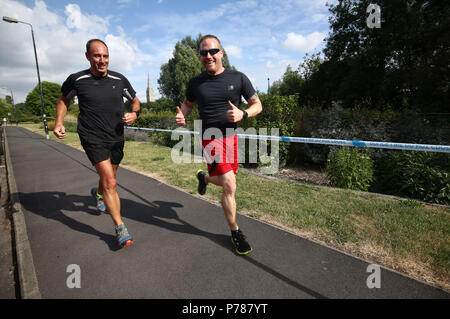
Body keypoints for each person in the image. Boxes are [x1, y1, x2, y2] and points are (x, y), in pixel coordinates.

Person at [175, 35, 262, 255]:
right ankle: (235, 233)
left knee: (226, 182)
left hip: (232, 138)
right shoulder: (196, 82)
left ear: (221, 52)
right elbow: (187, 104)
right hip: (210, 137)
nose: (208, 56)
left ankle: (203, 178)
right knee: (230, 185)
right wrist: (182, 116)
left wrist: (243, 114)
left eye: (212, 51)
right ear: (200, 56)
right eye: (203, 53)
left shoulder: (238, 77)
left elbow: (257, 105)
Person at [53, 39, 141, 248]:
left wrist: (134, 114)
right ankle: (120, 228)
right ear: (88, 57)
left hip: (116, 135)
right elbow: (64, 100)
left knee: (110, 176)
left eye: (105, 56)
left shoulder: (119, 80)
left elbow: (136, 102)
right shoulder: (77, 79)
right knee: (111, 181)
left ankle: (99, 194)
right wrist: (58, 122)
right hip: (91, 136)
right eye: (97, 56)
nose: (102, 61)